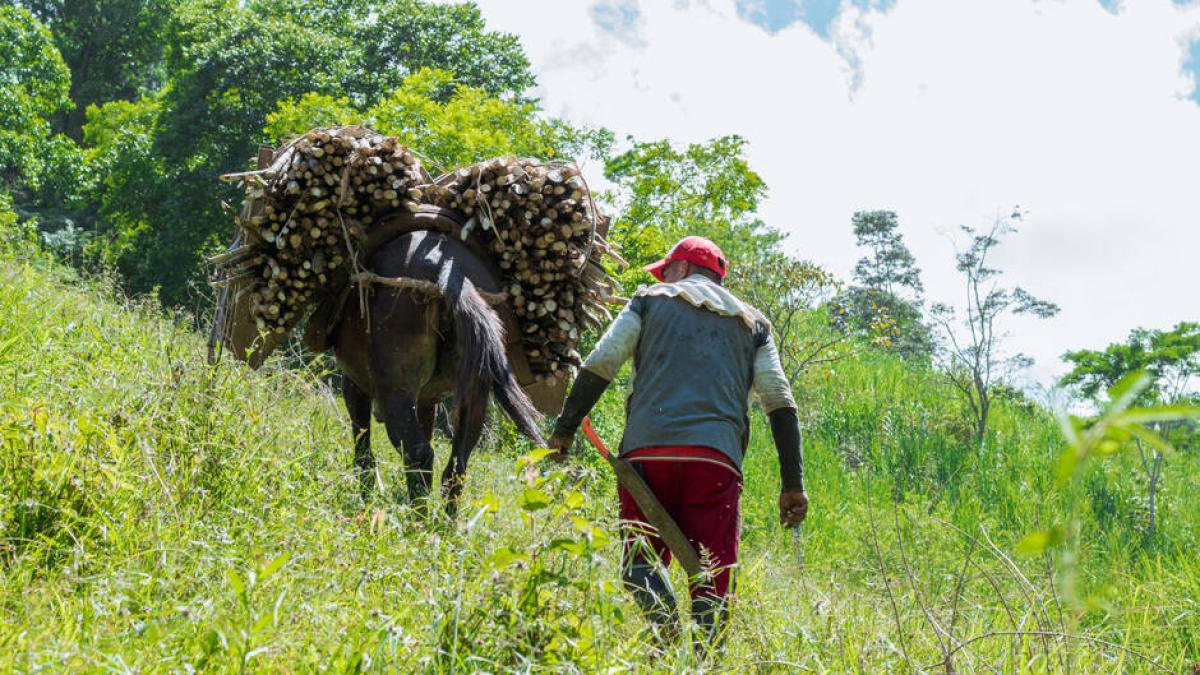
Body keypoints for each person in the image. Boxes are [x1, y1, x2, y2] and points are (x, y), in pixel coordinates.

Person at [547, 235, 808, 647]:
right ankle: (700, 662)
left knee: (640, 566)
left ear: (682, 269)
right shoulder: (753, 323)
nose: (662, 276)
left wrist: (564, 430)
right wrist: (792, 484)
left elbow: (602, 362)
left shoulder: (649, 300)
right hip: (715, 463)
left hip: (647, 457)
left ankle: (666, 642)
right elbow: (779, 400)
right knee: (714, 579)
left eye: (666, 269)